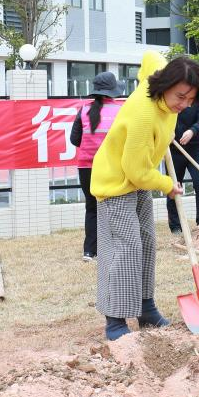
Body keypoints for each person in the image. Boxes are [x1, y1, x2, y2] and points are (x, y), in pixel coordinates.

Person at [91, 52, 199, 341]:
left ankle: (145, 308)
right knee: (125, 247)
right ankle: (115, 320)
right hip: (116, 182)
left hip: (138, 180)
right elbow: (134, 169)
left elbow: (151, 55)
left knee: (146, 242)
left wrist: (175, 60)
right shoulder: (144, 113)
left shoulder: (159, 80)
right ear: (165, 85)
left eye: (190, 100)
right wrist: (166, 183)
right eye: (180, 97)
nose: (184, 105)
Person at [69, 71, 123, 260]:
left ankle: (89, 251)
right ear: (113, 91)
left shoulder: (83, 111)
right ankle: (114, 247)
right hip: (112, 167)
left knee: (91, 207)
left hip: (86, 167)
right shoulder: (120, 111)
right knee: (114, 206)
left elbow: (74, 139)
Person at [165, 97, 199, 234]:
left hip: (195, 150)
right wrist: (166, 132)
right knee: (173, 187)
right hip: (174, 150)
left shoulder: (196, 99)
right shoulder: (168, 98)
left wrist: (193, 131)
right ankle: (175, 226)